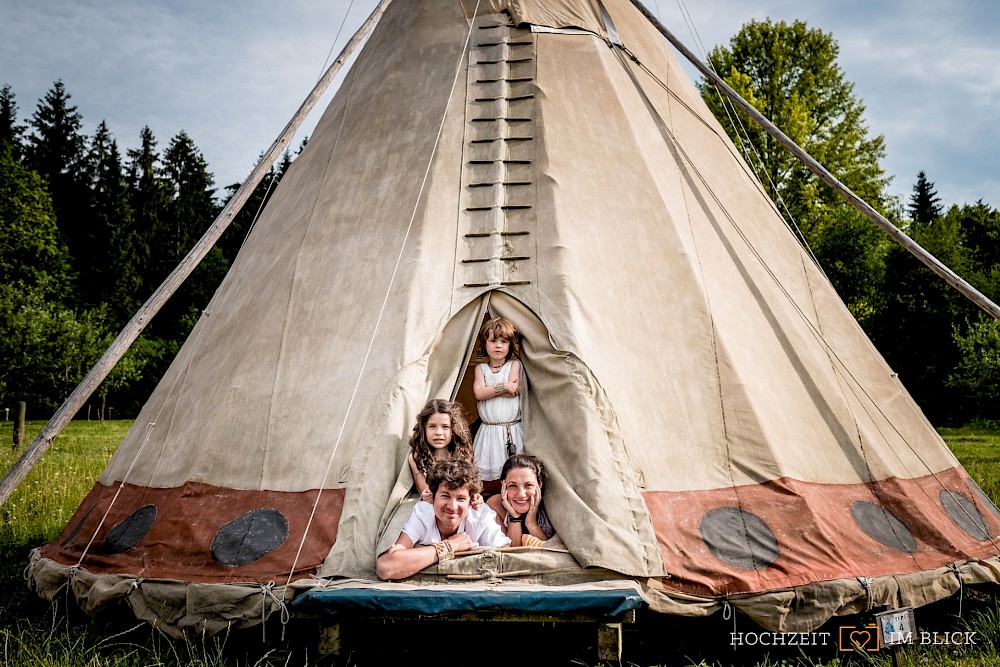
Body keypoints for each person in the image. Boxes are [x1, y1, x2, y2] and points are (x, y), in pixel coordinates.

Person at [377, 460, 510, 580]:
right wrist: (449, 546)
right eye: (445, 496)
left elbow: (507, 558)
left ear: (471, 501)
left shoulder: (480, 516)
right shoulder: (421, 514)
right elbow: (386, 567)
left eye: (461, 499)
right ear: (432, 497)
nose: (452, 506)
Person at [472, 317, 524, 482]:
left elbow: (513, 391)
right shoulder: (481, 369)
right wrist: (503, 386)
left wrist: (490, 390)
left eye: (504, 341)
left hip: (512, 430)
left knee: (515, 472)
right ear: (485, 344)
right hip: (489, 431)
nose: (498, 346)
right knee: (490, 475)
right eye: (493, 340)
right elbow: (478, 394)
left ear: (510, 345)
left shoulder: (515, 365)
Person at [406, 399, 479, 506]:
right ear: (424, 428)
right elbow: (427, 493)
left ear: (453, 430)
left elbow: (470, 487)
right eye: (432, 427)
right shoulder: (417, 458)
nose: (438, 433)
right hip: (434, 506)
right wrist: (427, 494)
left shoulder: (462, 454)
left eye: (445, 427)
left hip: (458, 504)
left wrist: (476, 497)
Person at [487, 454, 555, 547]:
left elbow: (550, 550)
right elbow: (511, 553)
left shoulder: (550, 507)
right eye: (512, 486)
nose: (521, 494)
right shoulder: (495, 506)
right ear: (503, 485)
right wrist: (514, 517)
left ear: (539, 484)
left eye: (528, 485)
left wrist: (531, 523)